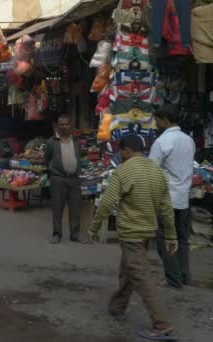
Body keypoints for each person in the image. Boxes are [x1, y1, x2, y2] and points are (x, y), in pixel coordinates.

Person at [88, 135, 178, 341]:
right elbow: (166, 208)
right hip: (146, 232)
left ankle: (162, 324)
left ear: (125, 149)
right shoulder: (158, 172)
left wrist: (93, 227)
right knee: (128, 270)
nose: (120, 155)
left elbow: (107, 202)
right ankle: (117, 307)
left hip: (131, 233)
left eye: (120, 152)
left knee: (142, 277)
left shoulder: (123, 170)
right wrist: (171, 236)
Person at [150, 104, 195, 289]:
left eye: (157, 120)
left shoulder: (162, 142)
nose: (156, 123)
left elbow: (151, 171)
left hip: (166, 198)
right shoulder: (188, 140)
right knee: (182, 240)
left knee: (165, 240)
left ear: (165, 120)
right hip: (183, 198)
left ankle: (173, 279)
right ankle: (184, 276)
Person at [44, 115, 83, 244]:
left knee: (75, 208)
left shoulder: (76, 141)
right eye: (61, 124)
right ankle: (57, 234)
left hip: (74, 179)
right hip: (58, 179)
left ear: (70, 125)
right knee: (57, 207)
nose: (64, 126)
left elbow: (79, 156)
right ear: (57, 126)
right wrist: (53, 172)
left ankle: (75, 234)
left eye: (66, 124)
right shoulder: (51, 142)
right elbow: (46, 159)